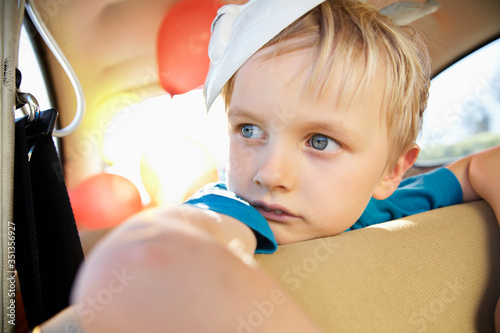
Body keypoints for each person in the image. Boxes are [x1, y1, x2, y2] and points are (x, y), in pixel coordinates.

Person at [68, 0, 500, 331]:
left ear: (391, 171)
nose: (269, 174)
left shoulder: (387, 211)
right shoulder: (233, 210)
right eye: (250, 130)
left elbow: (485, 166)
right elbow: (154, 255)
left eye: (319, 141)